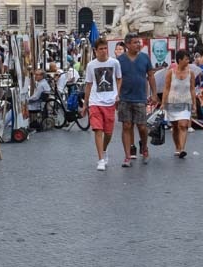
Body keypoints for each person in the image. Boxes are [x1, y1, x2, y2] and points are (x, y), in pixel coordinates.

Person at [116, 37, 156, 167]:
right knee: (126, 126)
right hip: (124, 98)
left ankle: (144, 147)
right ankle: (127, 155)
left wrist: (154, 94)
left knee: (142, 127)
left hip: (140, 97)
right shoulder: (120, 60)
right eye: (135, 42)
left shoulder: (144, 58)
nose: (138, 45)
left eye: (139, 42)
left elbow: (150, 75)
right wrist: (116, 95)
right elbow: (116, 79)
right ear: (127, 45)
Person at [83, 38, 121, 171]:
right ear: (95, 51)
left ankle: (104, 150)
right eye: (101, 49)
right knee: (98, 130)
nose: (104, 51)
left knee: (108, 132)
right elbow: (88, 84)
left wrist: (118, 94)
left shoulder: (115, 63)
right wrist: (85, 104)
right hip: (95, 101)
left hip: (110, 101)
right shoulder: (91, 65)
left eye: (105, 48)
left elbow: (119, 78)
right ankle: (100, 159)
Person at [160, 50, 195, 157]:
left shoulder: (191, 73)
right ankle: (178, 147)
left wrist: (195, 104)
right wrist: (163, 103)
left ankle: (182, 149)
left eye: (188, 59)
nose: (188, 61)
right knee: (175, 127)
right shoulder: (170, 72)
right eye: (186, 59)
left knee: (183, 125)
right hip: (172, 102)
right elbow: (166, 88)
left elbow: (192, 89)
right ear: (179, 60)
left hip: (186, 101)